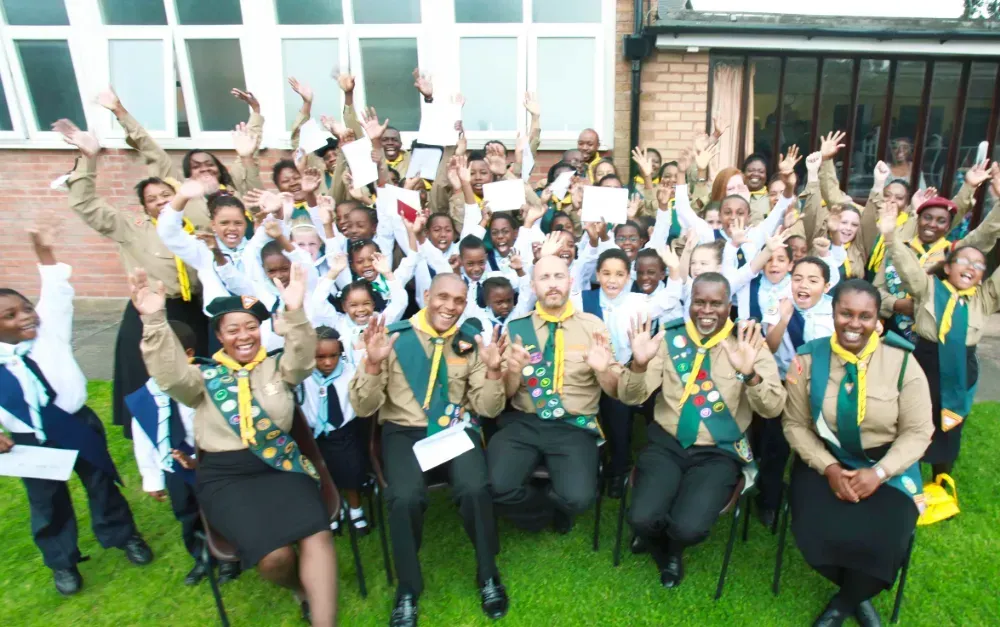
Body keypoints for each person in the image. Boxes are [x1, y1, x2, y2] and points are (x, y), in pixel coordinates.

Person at [136, 265, 337, 626]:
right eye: (233, 329)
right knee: (275, 559)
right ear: (219, 336)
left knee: (316, 533)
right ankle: (300, 589)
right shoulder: (202, 376)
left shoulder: (277, 368)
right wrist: (153, 321)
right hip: (226, 478)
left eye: (251, 327)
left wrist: (294, 311)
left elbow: (304, 357)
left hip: (281, 468)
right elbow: (168, 376)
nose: (244, 336)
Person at [0, 223, 152, 596]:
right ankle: (62, 561)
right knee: (47, 501)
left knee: (100, 484)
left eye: (24, 307)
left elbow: (54, 294)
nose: (25, 317)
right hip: (27, 439)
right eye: (10, 315)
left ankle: (122, 535)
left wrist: (46, 256)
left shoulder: (50, 330)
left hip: (76, 423)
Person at [348, 276, 509, 627]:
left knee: (475, 488)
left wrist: (495, 371)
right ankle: (407, 588)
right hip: (404, 432)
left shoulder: (470, 341)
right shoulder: (393, 337)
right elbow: (363, 407)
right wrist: (373, 364)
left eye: (459, 300)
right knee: (404, 498)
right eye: (443, 297)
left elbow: (488, 407)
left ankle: (487, 573)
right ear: (425, 296)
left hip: (452, 428)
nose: (450, 307)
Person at [616, 274, 786, 588]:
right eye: (699, 302)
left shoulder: (748, 344)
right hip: (667, 443)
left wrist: (749, 375)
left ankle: (674, 551)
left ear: (728, 305)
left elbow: (773, 408)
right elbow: (631, 397)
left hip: (717, 451)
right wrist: (638, 365)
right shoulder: (670, 339)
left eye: (716, 303)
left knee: (688, 528)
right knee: (640, 518)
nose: (706, 310)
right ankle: (657, 542)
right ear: (690, 303)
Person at [783, 279, 933, 627]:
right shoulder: (808, 359)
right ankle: (858, 595)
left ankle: (846, 601)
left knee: (889, 540)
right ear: (833, 313)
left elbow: (918, 431)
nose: (854, 323)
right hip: (828, 459)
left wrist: (880, 473)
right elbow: (795, 425)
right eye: (845, 313)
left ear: (877, 319)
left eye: (864, 316)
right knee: (811, 535)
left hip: (887, 463)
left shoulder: (901, 362)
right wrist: (830, 469)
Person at [54, 119, 210, 439]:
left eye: (165, 194)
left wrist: (124, 116)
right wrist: (89, 158)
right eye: (152, 198)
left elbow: (159, 159)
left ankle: (201, 433)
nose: (160, 201)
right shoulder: (130, 228)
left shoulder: (196, 222)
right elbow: (86, 205)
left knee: (197, 377)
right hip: (153, 310)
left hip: (194, 309)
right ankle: (154, 440)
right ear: (144, 207)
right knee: (150, 378)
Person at [488, 255, 626, 533]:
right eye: (544, 278)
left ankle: (562, 505)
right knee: (493, 487)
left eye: (558, 277)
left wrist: (603, 371)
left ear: (570, 282)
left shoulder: (593, 327)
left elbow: (614, 391)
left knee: (579, 499)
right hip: (525, 421)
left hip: (573, 425)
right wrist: (512, 372)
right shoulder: (517, 329)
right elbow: (503, 396)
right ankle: (543, 512)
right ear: (533, 286)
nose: (552, 284)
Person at [883, 205, 1000, 489]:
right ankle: (904, 472)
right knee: (914, 416)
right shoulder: (929, 288)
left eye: (978, 265)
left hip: (962, 365)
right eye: (964, 262)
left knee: (950, 421)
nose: (971, 268)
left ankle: (941, 477)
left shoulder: (983, 299)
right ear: (947, 267)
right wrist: (889, 235)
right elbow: (908, 268)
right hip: (925, 362)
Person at [127, 320, 241, 586]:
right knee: (187, 514)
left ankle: (229, 557)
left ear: (188, 355)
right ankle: (202, 556)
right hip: (173, 469)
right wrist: (152, 478)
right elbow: (143, 441)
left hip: (209, 463)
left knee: (219, 512)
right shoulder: (143, 398)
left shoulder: (207, 384)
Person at [299, 327, 369, 535]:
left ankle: (355, 509)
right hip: (315, 436)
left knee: (351, 471)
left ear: (341, 353)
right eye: (320, 357)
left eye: (333, 356)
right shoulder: (304, 377)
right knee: (322, 474)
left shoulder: (350, 371)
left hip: (345, 432)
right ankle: (333, 509)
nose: (328, 362)